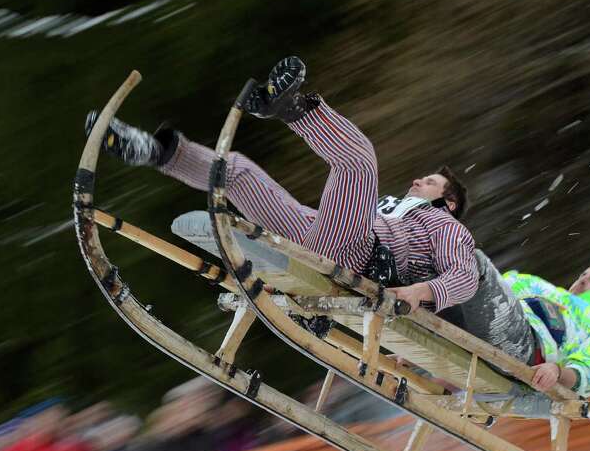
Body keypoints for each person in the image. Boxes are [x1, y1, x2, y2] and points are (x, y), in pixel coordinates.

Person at [86, 56, 477, 313]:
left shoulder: (444, 226)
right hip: (317, 236)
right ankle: (156, 153)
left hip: (360, 262)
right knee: (237, 172)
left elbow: (465, 277)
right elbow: (340, 217)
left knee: (358, 162)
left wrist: (419, 293)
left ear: (450, 202)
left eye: (429, 182)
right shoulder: (387, 207)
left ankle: (289, 108)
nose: (417, 180)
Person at [448, 254, 590, 397]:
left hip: (528, 348)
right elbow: (501, 285)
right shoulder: (546, 289)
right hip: (493, 320)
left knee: (476, 262)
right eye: (584, 275)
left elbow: (587, 376)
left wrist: (557, 371)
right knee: (458, 261)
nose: (583, 279)